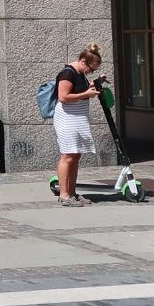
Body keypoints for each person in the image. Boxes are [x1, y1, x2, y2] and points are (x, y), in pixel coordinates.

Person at [54, 43, 104, 206]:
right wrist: (87, 94)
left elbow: (78, 90)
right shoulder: (67, 73)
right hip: (67, 118)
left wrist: (94, 83)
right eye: (91, 69)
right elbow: (63, 96)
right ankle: (64, 195)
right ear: (83, 61)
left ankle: (72, 192)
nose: (91, 72)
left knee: (75, 154)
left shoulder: (80, 73)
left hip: (78, 118)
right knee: (68, 155)